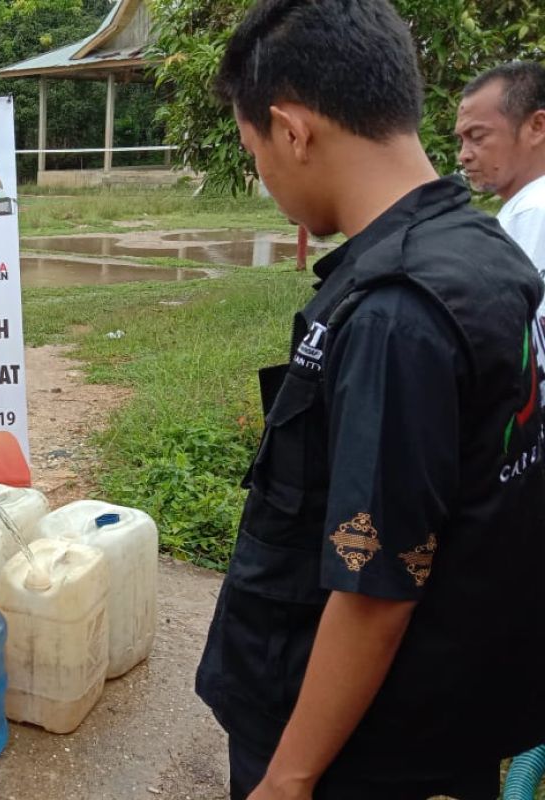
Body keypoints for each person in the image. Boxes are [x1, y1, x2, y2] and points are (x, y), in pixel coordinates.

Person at [194, 3, 545, 799]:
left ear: (291, 130)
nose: (267, 181)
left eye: (255, 155)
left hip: (354, 750)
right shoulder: (485, 253)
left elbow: (375, 589)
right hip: (439, 716)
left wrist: (289, 778)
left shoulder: (396, 314)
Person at [456, 61, 545, 273]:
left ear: (537, 127)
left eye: (477, 137)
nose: (463, 156)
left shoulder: (532, 211)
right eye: (461, 141)